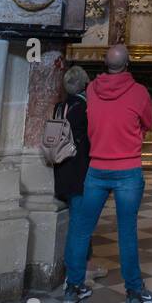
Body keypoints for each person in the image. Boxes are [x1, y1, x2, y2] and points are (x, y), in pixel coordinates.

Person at [62, 44, 152, 303]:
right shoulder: (140, 92)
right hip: (128, 169)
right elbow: (148, 123)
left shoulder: (92, 90)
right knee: (126, 231)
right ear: (128, 64)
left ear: (105, 64)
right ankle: (133, 294)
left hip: (96, 169)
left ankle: (73, 288)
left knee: (82, 229)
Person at [53, 65, 108, 284]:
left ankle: (85, 264)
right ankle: (76, 275)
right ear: (85, 85)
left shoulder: (60, 107)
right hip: (80, 171)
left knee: (79, 220)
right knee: (80, 223)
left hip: (61, 169)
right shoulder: (86, 108)